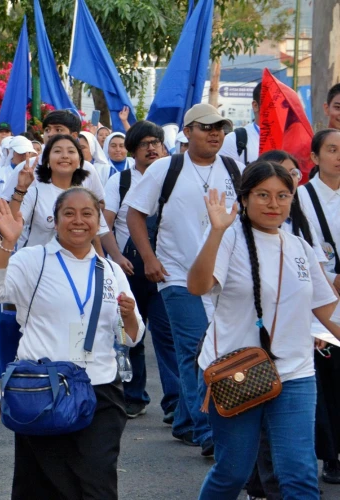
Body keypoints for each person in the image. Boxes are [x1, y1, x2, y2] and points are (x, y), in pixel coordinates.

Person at [0, 189, 143, 499]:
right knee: (41, 487)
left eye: (87, 214)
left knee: (97, 487)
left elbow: (132, 337)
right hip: (43, 389)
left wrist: (130, 316)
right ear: (55, 220)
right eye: (69, 213)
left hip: (100, 391)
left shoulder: (111, 271)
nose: (78, 221)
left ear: (98, 221)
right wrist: (7, 244)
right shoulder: (31, 260)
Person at [188, 161, 340, 499]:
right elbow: (198, 286)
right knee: (233, 471)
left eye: (282, 196)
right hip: (234, 371)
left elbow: (328, 307)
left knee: (299, 474)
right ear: (244, 198)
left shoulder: (300, 247)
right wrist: (215, 232)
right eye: (263, 195)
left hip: (296, 373)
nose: (274, 204)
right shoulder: (228, 237)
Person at [125, 103, 243, 457]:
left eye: (219, 127)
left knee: (219, 349)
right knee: (194, 351)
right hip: (176, 275)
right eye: (206, 127)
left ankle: (185, 422)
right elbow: (134, 214)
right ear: (188, 131)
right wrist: (149, 258)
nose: (215, 133)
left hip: (223, 279)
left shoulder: (234, 169)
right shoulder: (166, 168)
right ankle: (208, 431)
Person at [103, 121, 178, 423]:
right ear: (133, 150)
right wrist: (118, 257)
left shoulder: (174, 178)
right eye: (145, 143)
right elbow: (104, 225)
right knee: (130, 332)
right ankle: (134, 396)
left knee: (167, 336)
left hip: (166, 272)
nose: (151, 148)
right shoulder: (119, 182)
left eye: (156, 142)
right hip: (130, 270)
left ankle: (175, 404)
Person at [295, 129, 340, 485]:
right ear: (314, 157)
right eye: (332, 149)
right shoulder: (301, 197)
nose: (338, 156)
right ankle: (330, 455)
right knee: (326, 381)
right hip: (319, 295)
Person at [10, 134, 109, 249]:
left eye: (71, 152)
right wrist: (20, 189)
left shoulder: (86, 197)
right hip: (39, 264)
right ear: (47, 160)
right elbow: (11, 226)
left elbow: (96, 236)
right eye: (57, 151)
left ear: (79, 161)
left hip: (77, 262)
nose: (65, 156)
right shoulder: (35, 193)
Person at [0, 110, 106, 206]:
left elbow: (100, 202)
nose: (50, 134)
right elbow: (5, 203)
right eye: (47, 130)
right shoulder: (25, 168)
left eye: (58, 129)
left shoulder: (87, 168)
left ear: (74, 136)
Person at [218, 83, 262, 164]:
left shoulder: (290, 139)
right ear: (255, 106)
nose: (278, 109)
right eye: (272, 104)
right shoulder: (233, 140)